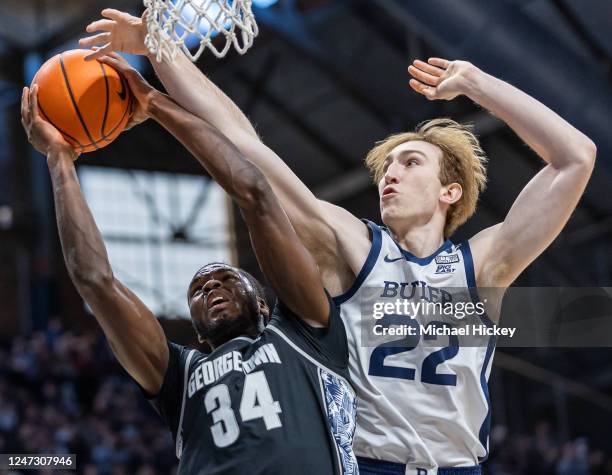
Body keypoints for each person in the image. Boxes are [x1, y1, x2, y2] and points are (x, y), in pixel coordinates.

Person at [79, 10, 597, 474]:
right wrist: (162, 50)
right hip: (365, 464)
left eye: (410, 163)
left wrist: (479, 85)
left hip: (459, 466)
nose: (389, 175)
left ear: (449, 191)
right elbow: (245, 148)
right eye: (386, 167)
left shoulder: (483, 265)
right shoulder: (353, 246)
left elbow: (577, 156)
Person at [20, 54, 358, 474]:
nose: (211, 287)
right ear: (195, 327)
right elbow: (95, 281)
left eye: (226, 279)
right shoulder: (178, 376)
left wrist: (156, 105)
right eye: (198, 290)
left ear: (264, 303)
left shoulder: (307, 333)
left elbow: (254, 194)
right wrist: (59, 160)